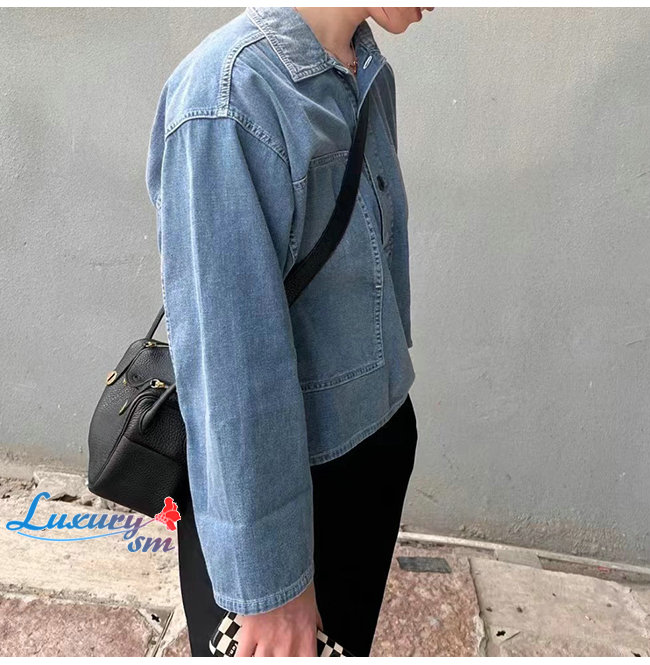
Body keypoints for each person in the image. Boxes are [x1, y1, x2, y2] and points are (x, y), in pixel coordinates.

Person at [145, 6, 433, 657]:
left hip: (370, 452)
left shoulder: (364, 70)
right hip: (286, 483)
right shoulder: (226, 97)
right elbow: (229, 364)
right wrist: (271, 586)